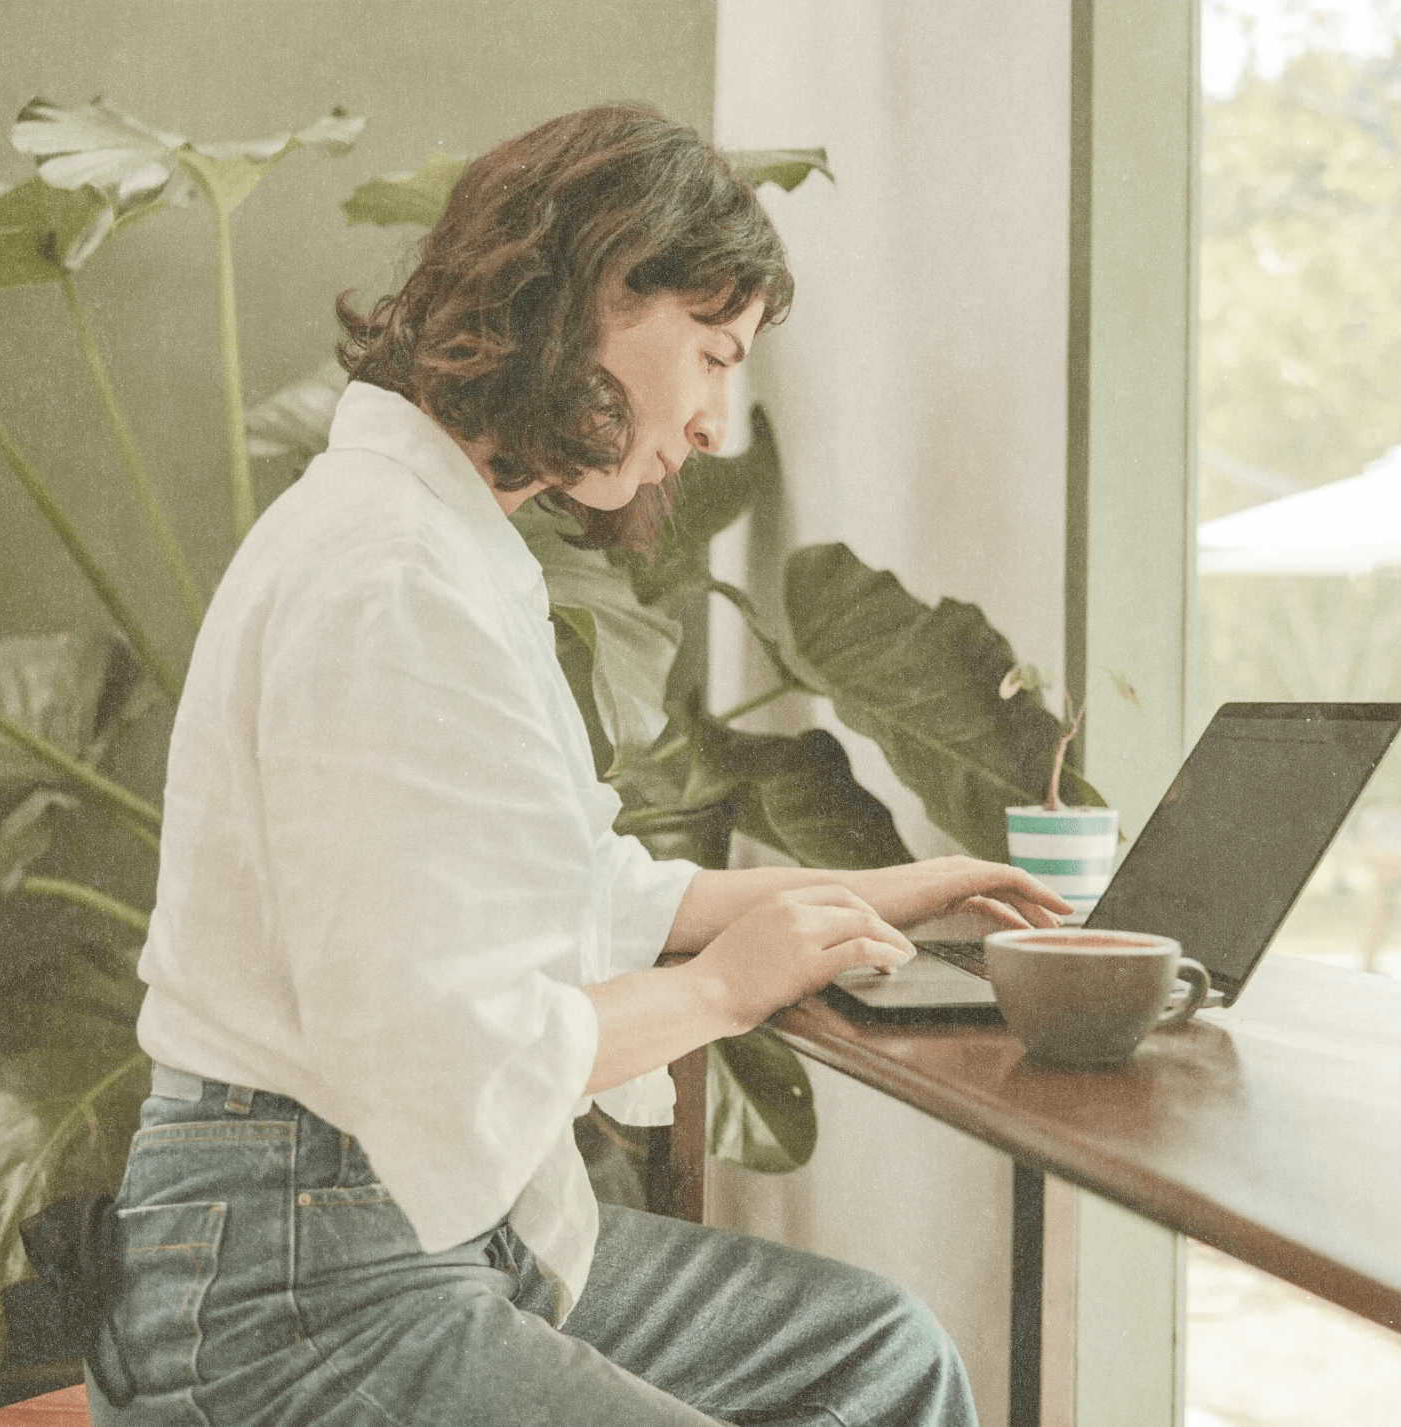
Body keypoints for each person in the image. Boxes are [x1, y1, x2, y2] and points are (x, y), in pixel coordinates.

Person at [96, 103, 1069, 1427]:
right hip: (293, 1280)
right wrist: (727, 986)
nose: (718, 422)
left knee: (876, 1354)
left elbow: (563, 890)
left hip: (374, 1222)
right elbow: (442, 1052)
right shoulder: (389, 575)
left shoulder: (433, 542)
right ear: (598, 291)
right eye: (713, 354)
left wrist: (895, 885)